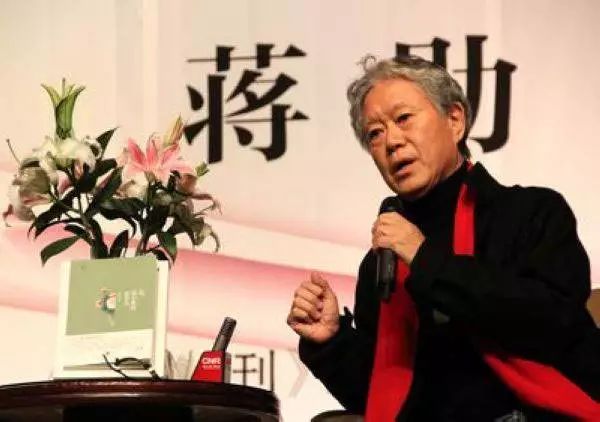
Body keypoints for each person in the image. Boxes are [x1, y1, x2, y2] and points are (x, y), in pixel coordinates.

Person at [287, 55, 600, 421]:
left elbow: (553, 321)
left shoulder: (530, 212)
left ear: (454, 120)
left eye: (404, 118)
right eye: (375, 133)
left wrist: (426, 260)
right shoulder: (383, 259)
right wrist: (331, 340)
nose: (392, 141)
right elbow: (382, 395)